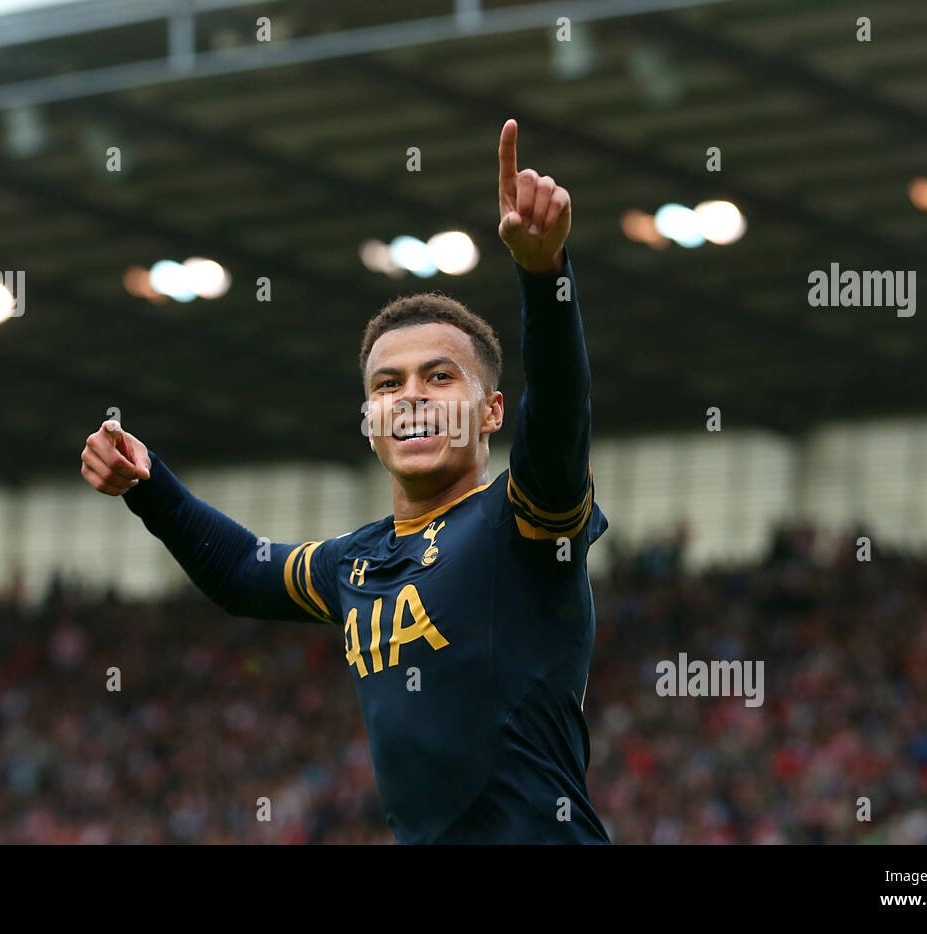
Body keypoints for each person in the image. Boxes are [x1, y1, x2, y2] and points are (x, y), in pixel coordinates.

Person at [81, 119, 609, 843]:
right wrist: (149, 484)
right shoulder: (353, 564)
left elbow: (558, 415)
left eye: (439, 376)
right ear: (370, 420)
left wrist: (545, 275)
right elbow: (240, 572)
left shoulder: (521, 523)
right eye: (389, 384)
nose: (413, 396)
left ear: (490, 412)